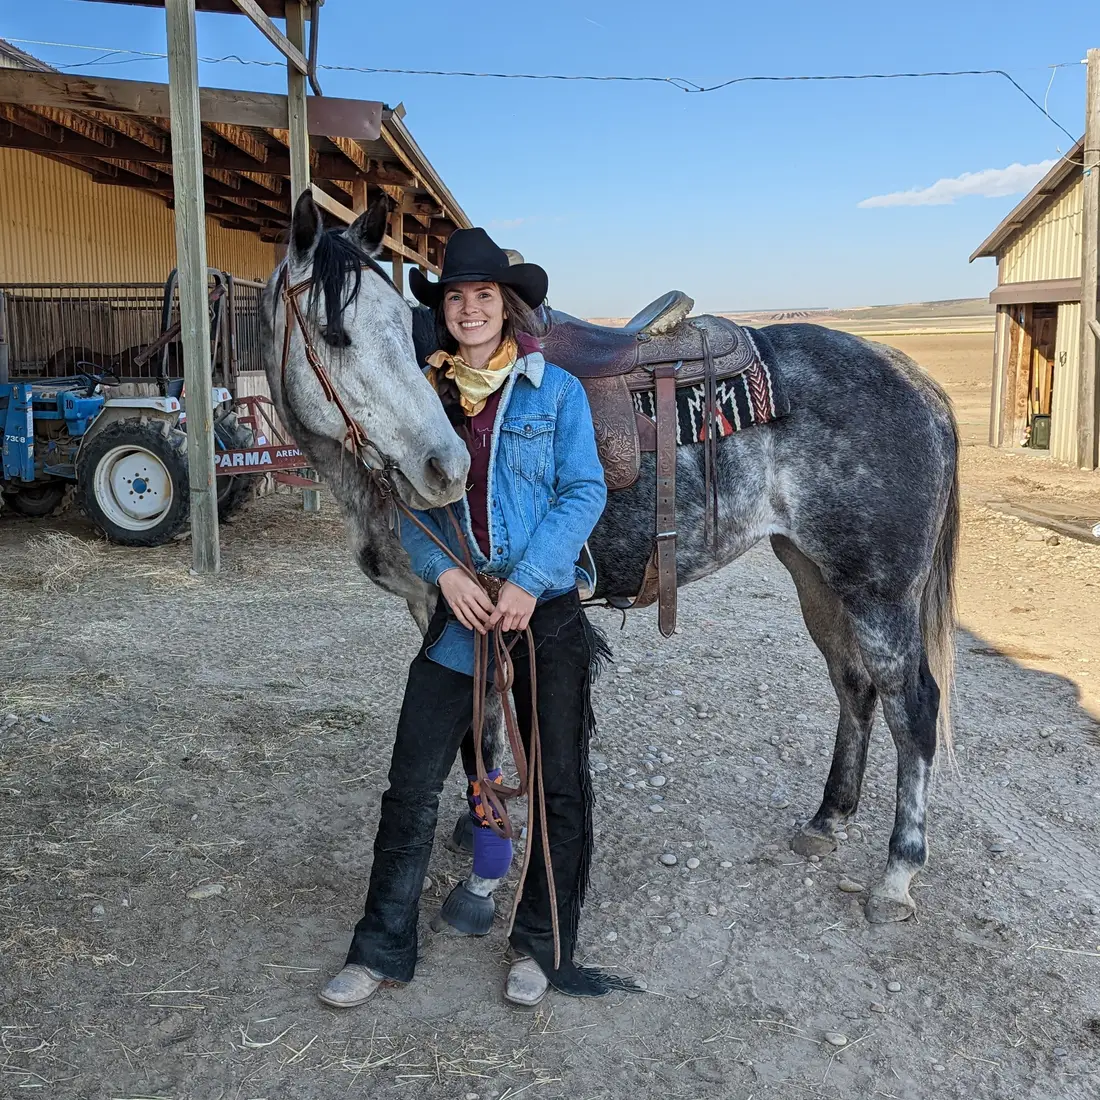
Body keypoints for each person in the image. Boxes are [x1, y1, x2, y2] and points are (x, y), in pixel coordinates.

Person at [319, 228, 632, 1008]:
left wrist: (529, 581)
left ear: (507, 306)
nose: (468, 309)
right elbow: (406, 503)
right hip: (461, 615)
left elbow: (582, 492)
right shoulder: (425, 401)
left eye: (483, 296)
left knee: (561, 782)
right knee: (410, 782)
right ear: (445, 310)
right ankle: (383, 947)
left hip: (542, 611)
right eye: (456, 297)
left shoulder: (554, 391)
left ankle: (541, 946)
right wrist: (446, 573)